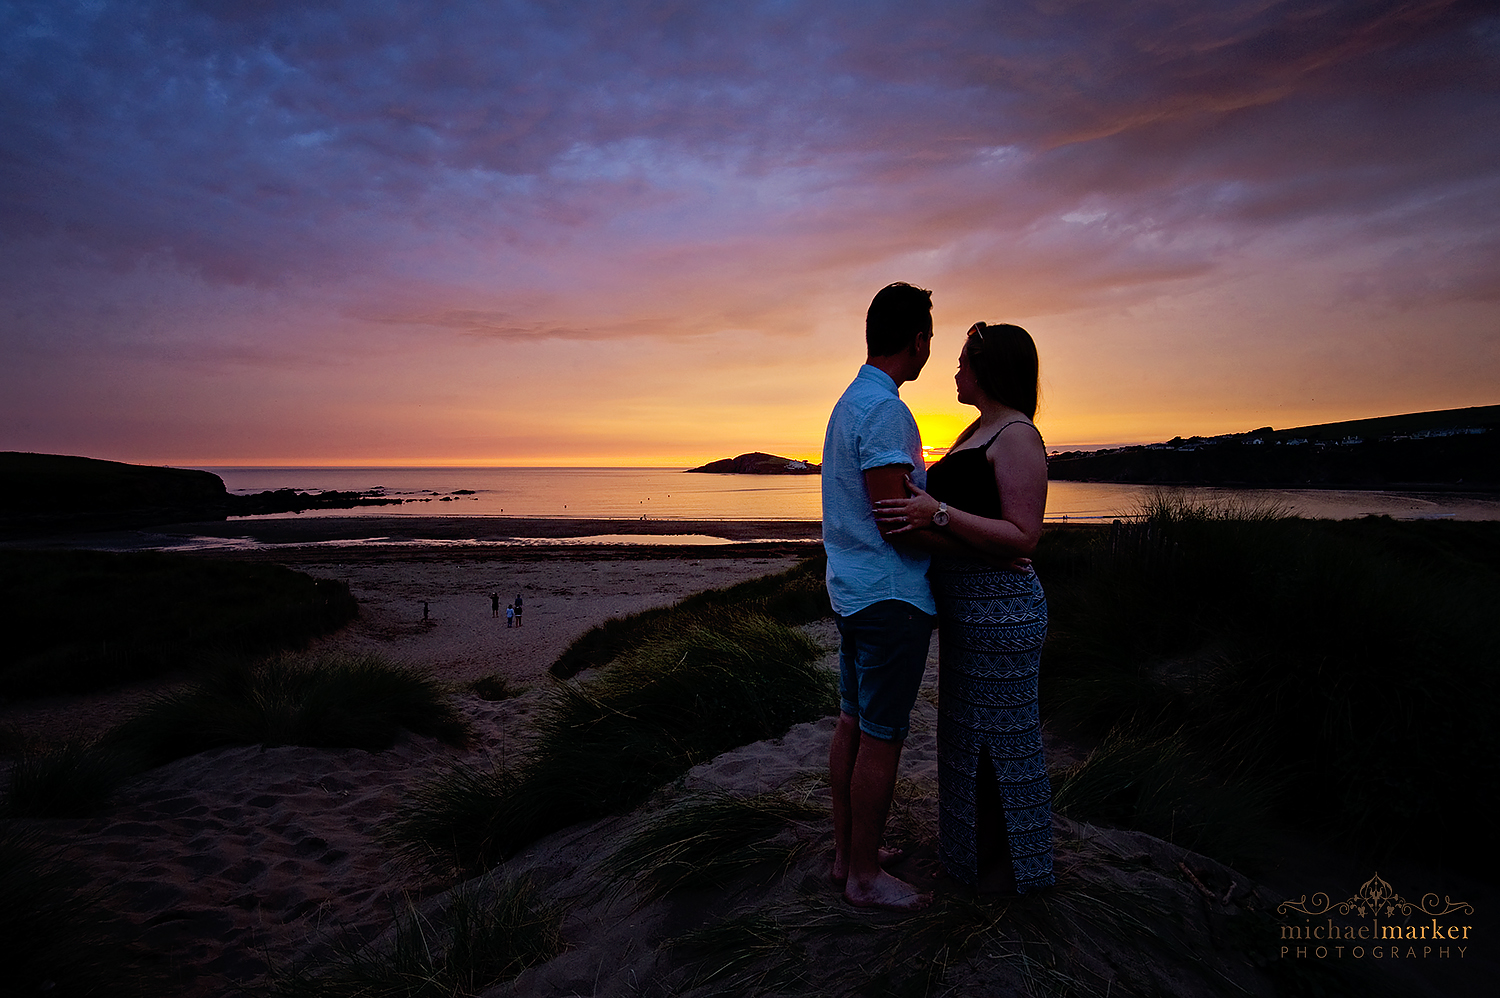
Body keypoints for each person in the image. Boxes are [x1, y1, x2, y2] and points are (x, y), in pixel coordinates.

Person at [874, 321, 1055, 895]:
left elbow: (1024, 537)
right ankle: (971, 862)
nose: (954, 371)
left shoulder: (1018, 436)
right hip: (967, 615)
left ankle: (1014, 874)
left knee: (1004, 743)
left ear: (988, 367)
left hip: (1002, 614)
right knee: (964, 739)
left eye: (962, 362)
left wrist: (939, 515)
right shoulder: (977, 430)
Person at [822, 282, 939, 912]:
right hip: (888, 597)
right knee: (883, 734)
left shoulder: (852, 401)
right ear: (916, 339)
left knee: (854, 722)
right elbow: (895, 515)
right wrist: (952, 527)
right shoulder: (885, 408)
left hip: (853, 591)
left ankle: (848, 856)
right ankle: (865, 875)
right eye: (929, 337)